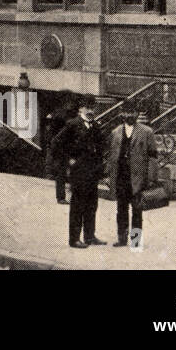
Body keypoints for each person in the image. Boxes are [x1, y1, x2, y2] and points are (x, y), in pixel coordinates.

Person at [48, 97, 107, 248]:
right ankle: (74, 239)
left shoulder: (95, 126)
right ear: (81, 108)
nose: (91, 111)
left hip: (92, 172)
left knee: (92, 205)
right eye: (88, 107)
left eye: (93, 107)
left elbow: (101, 147)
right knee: (77, 206)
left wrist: (100, 166)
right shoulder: (73, 124)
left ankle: (89, 236)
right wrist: (68, 160)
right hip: (79, 173)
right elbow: (56, 143)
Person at [106, 106, 159, 246]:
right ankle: (122, 239)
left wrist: (152, 178)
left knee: (137, 210)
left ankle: (136, 241)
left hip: (138, 178)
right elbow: (111, 156)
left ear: (137, 113)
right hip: (121, 177)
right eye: (127, 111)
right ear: (122, 113)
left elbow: (153, 156)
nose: (130, 115)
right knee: (121, 209)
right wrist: (108, 175)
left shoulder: (147, 132)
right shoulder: (116, 132)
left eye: (132, 112)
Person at [44, 98, 75, 204]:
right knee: (64, 173)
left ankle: (62, 197)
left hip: (62, 147)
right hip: (63, 148)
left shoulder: (58, 114)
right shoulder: (65, 116)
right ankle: (63, 197)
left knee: (62, 173)